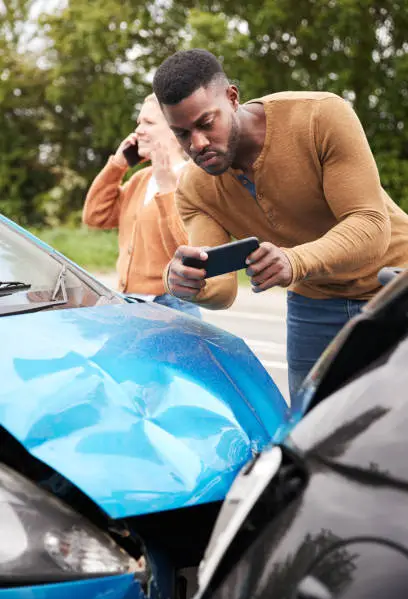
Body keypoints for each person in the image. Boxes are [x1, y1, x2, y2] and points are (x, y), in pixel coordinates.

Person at [152, 48, 408, 402]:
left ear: (232, 97)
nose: (197, 144)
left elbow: (370, 225)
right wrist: (184, 281)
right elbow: (222, 290)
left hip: (396, 286)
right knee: (308, 431)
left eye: (206, 124)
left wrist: (293, 261)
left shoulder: (320, 116)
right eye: (182, 134)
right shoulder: (195, 190)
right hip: (314, 304)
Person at [82, 93, 201, 318]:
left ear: (175, 129)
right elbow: (95, 216)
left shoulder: (195, 179)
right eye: (139, 123)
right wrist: (117, 165)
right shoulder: (141, 179)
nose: (138, 131)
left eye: (149, 122)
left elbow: (189, 249)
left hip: (171, 306)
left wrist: (167, 188)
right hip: (130, 303)